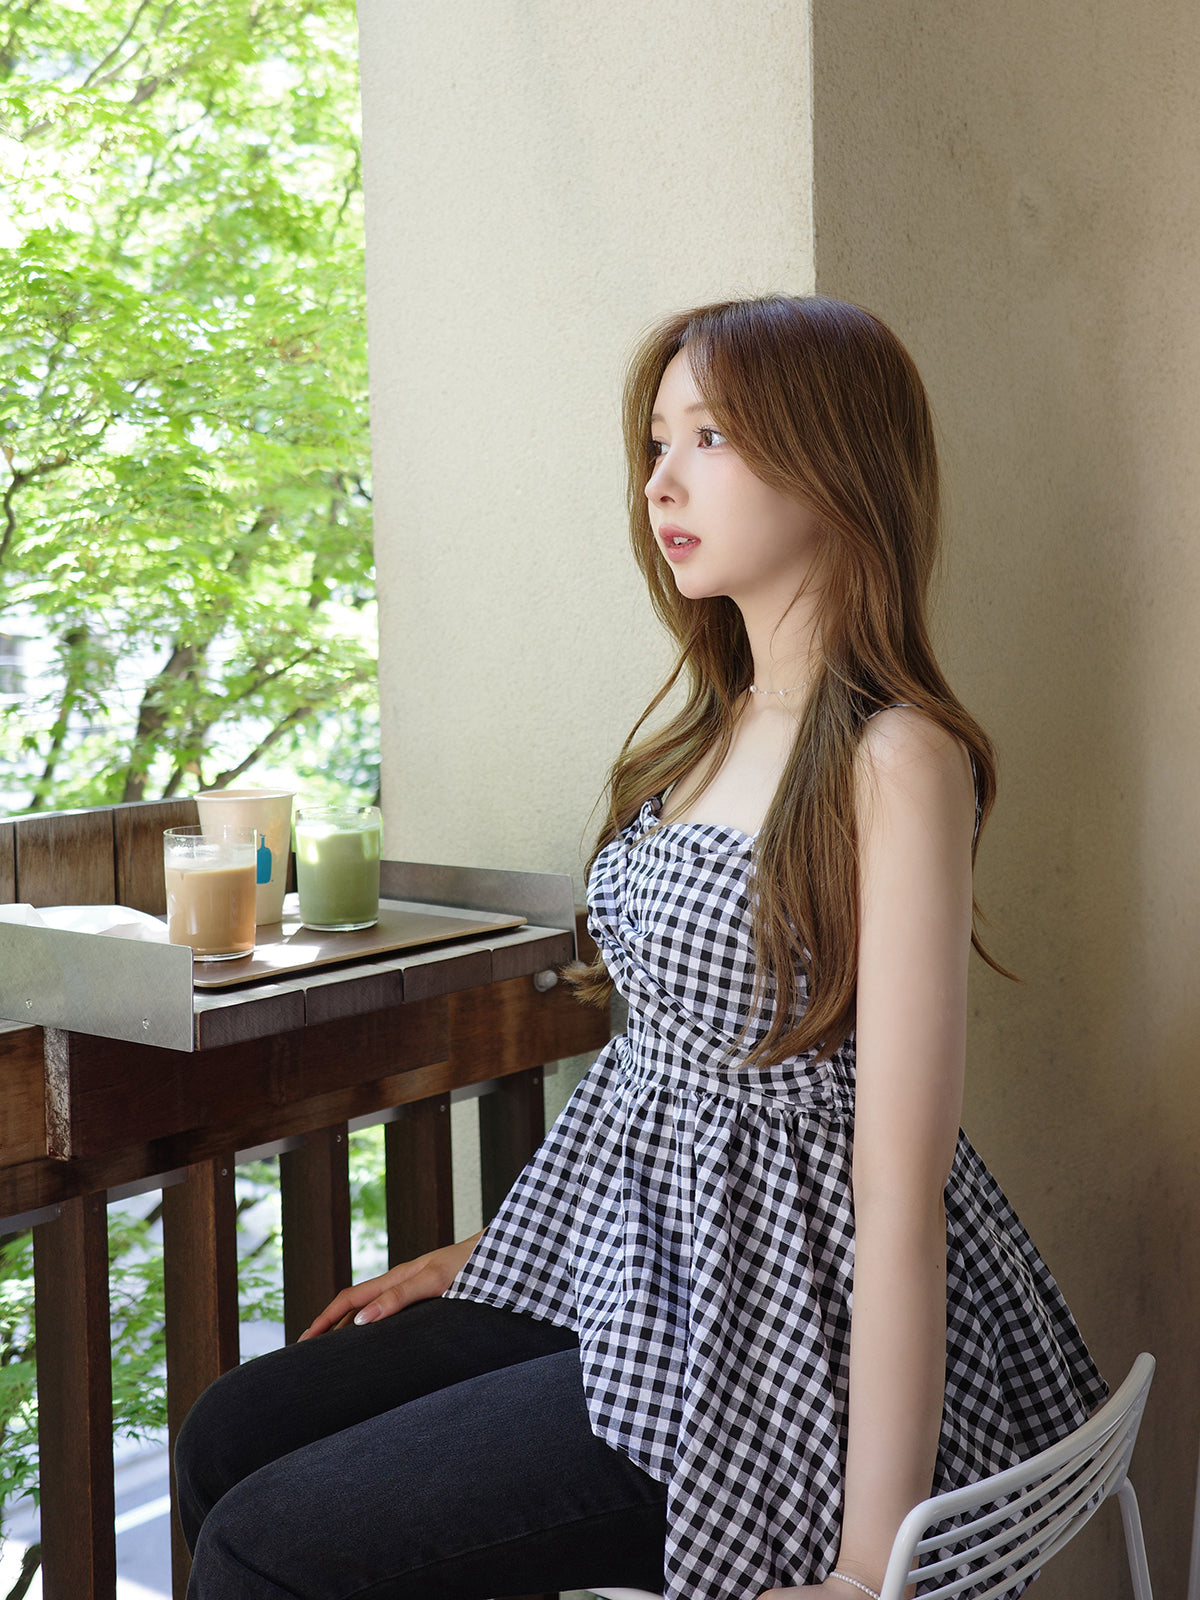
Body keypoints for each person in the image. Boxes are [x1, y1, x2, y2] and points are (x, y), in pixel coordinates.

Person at [175, 295, 1106, 1600]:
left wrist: (864, 1573)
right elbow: (654, 1077)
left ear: (837, 461)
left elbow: (900, 1190)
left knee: (261, 1546)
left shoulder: (897, 759)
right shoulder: (712, 728)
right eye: (658, 443)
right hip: (629, 1262)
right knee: (230, 1433)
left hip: (768, 1334)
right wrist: (506, 1254)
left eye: (710, 437)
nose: (663, 481)